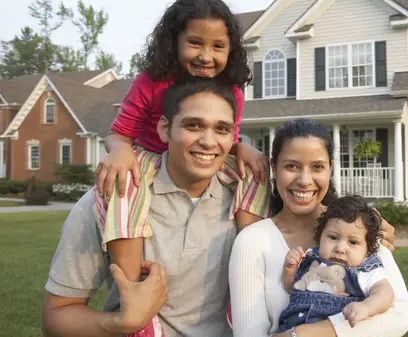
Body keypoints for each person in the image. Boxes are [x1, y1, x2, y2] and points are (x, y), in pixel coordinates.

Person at [92, 0, 269, 337]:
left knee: (256, 172)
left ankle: (249, 272)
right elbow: (119, 132)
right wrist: (120, 151)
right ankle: (136, 298)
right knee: (123, 183)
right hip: (146, 156)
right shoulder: (151, 81)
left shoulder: (231, 91)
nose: (206, 56)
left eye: (218, 46)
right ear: (174, 42)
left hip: (201, 161)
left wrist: (241, 149)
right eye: (195, 43)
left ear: (229, 50)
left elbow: (223, 139)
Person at [42, 77, 269, 337]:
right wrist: (122, 323)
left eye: (222, 129)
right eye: (193, 125)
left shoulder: (249, 201)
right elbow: (55, 317)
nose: (208, 141)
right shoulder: (110, 200)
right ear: (164, 128)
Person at [229, 119, 408, 337]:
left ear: (330, 169)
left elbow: (400, 316)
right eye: (292, 166)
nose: (305, 180)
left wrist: (299, 335)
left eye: (317, 167)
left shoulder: (359, 228)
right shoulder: (252, 242)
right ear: (274, 168)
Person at [278, 195, 395, 332]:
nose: (340, 248)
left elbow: (385, 293)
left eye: (353, 242)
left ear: (367, 250)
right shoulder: (311, 258)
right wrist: (290, 269)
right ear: (320, 237)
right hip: (292, 326)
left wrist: (366, 307)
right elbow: (291, 287)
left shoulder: (364, 270)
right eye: (333, 237)